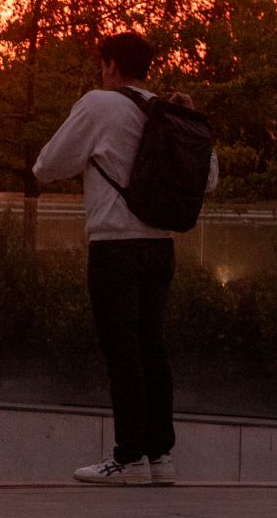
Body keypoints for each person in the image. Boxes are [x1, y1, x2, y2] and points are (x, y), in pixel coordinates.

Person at [32, 31, 218, 486]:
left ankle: (128, 458)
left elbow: (46, 165)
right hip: (161, 246)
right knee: (153, 348)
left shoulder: (99, 105)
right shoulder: (168, 111)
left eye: (103, 64)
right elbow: (208, 178)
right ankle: (160, 456)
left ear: (111, 65)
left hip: (115, 245)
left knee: (123, 350)